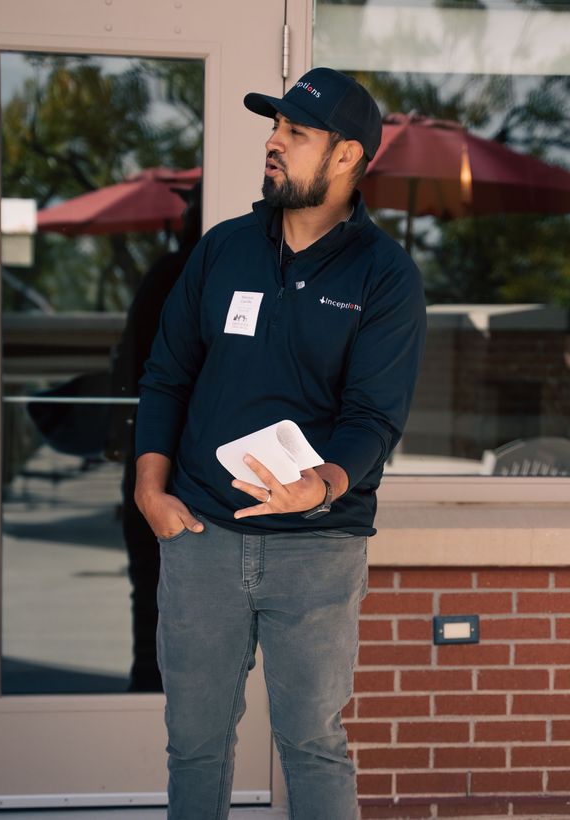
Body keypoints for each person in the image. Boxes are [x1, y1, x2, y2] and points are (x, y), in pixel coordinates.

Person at [134, 67, 427, 820]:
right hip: (201, 534)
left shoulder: (385, 276)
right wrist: (149, 490)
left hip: (318, 547)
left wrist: (321, 485)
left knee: (313, 745)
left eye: (296, 133)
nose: (274, 141)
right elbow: (167, 375)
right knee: (194, 745)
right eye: (275, 127)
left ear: (346, 156)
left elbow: (373, 418)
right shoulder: (223, 250)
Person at [107, 182, 202, 691]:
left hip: (149, 444)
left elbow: (130, 357)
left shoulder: (163, 274)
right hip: (177, 452)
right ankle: (158, 688)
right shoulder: (192, 275)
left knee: (149, 586)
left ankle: (146, 683)